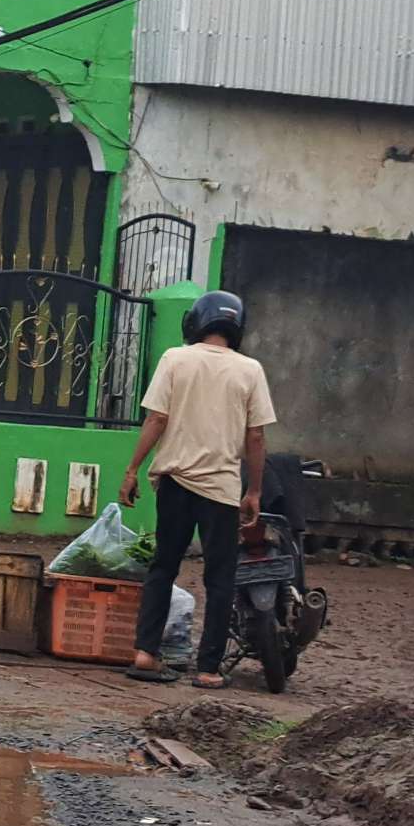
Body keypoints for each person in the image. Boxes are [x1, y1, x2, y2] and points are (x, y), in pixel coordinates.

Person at [119, 290, 279, 689]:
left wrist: (133, 469)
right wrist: (254, 491)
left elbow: (156, 419)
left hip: (174, 483)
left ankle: (145, 652)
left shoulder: (176, 359)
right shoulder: (250, 370)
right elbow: (256, 437)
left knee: (163, 566)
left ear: (197, 321)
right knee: (220, 578)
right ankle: (208, 668)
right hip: (221, 492)